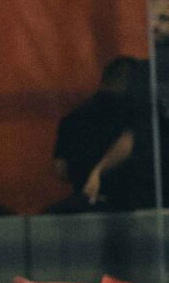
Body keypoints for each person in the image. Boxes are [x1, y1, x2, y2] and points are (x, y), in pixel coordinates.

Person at [48, 56, 156, 212]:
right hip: (126, 205)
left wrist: (84, 176)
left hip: (82, 202)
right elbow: (131, 142)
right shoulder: (135, 113)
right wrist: (99, 171)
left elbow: (60, 168)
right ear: (131, 83)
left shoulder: (73, 117)